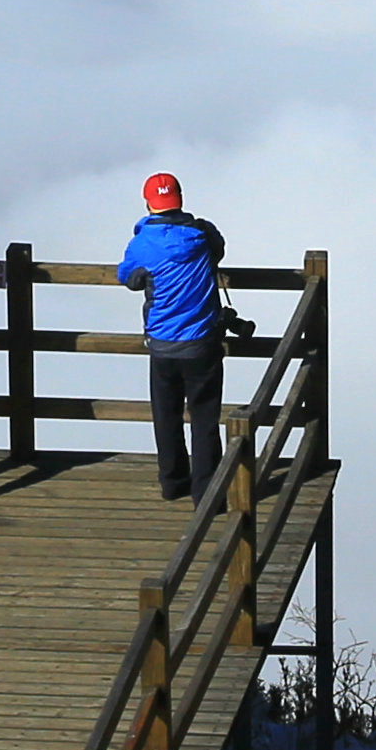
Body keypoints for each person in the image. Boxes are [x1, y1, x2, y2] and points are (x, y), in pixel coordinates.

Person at [121, 169, 228, 502]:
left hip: (162, 344)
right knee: (205, 417)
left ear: (148, 203)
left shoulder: (141, 243)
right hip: (201, 342)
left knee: (166, 415)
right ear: (179, 199)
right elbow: (219, 251)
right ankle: (207, 492)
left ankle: (173, 482)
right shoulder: (202, 233)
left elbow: (127, 276)